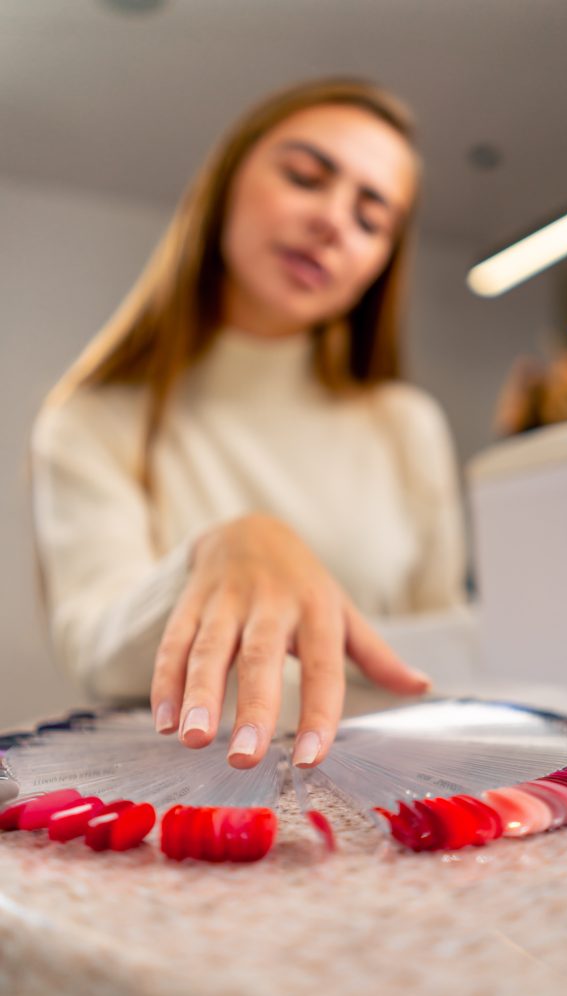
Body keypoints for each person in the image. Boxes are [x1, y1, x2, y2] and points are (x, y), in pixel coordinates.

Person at [31, 78, 467, 771]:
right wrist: (216, 554)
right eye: (304, 177)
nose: (331, 221)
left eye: (370, 217)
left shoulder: (405, 426)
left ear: (378, 267)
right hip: (181, 809)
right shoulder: (92, 420)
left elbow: (439, 654)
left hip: (384, 802)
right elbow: (96, 650)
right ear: (226, 183)